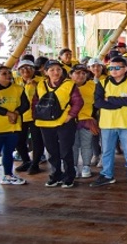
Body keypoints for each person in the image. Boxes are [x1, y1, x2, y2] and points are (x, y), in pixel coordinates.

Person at [91, 56, 127, 190]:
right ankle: (107, 175)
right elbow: (98, 102)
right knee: (107, 151)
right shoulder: (102, 83)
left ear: (125, 68)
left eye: (117, 67)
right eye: (111, 68)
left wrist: (110, 99)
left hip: (126, 122)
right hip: (107, 122)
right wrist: (119, 102)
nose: (113, 70)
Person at [33, 60, 83, 188]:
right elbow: (35, 103)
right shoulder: (40, 85)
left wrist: (71, 115)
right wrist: (36, 117)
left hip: (64, 123)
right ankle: (55, 175)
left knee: (66, 151)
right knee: (52, 151)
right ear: (46, 72)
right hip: (45, 124)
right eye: (52, 70)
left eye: (58, 69)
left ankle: (69, 176)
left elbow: (78, 102)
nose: (56, 72)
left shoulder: (70, 84)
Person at [0, 66, 30, 193]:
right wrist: (9, 114)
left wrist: (16, 113)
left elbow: (25, 104)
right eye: (4, 73)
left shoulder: (18, 89)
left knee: (9, 152)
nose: (8, 75)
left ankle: (8, 175)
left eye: (9, 73)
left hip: (13, 127)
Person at [13, 60, 46, 175]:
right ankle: (26, 161)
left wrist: (36, 86)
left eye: (28, 68)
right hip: (20, 115)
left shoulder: (41, 81)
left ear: (34, 70)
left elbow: (45, 95)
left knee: (37, 141)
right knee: (18, 140)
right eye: (22, 68)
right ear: (18, 71)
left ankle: (35, 163)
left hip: (35, 116)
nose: (25, 71)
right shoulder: (15, 81)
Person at [70, 64, 97, 179]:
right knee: (73, 145)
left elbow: (97, 103)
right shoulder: (66, 85)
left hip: (87, 120)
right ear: (71, 74)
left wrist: (94, 118)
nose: (81, 75)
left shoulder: (93, 85)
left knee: (87, 144)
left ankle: (86, 166)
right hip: (70, 120)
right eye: (77, 73)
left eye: (83, 73)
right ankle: (74, 166)